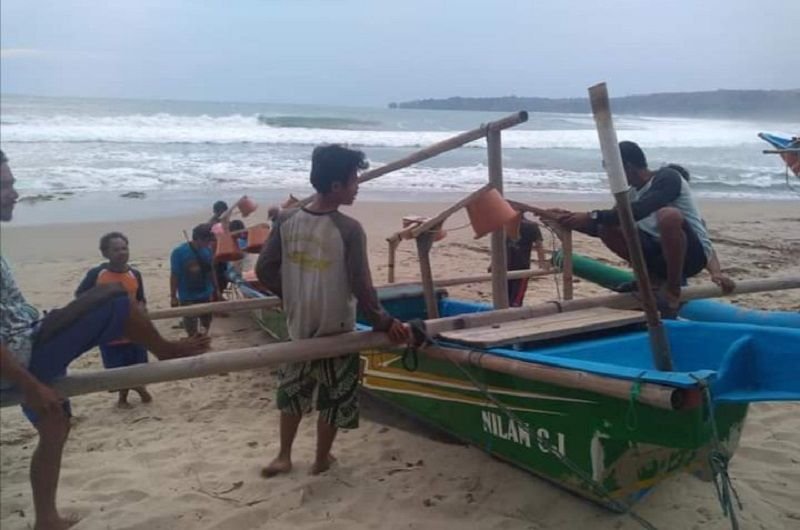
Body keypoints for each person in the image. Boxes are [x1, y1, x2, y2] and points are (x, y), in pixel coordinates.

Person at [0, 149, 210, 530]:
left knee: (55, 426)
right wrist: (29, 385)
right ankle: (165, 350)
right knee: (113, 297)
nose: (14, 193)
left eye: (11, 184)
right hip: (23, 359)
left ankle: (46, 518)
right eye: (5, 186)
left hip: (29, 342)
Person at [256, 144, 409, 477]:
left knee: (293, 390)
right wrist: (385, 322)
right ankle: (321, 458)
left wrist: (292, 293)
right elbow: (362, 287)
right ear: (337, 186)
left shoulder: (286, 219)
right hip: (337, 327)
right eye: (354, 181)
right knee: (334, 395)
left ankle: (283, 455)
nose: (357, 187)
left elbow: (265, 269)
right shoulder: (349, 229)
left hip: (298, 326)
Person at [547, 141, 734, 316]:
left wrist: (716, 273)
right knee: (608, 225)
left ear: (627, 167)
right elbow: (606, 224)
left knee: (668, 215)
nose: (611, 178)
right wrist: (568, 219)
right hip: (657, 257)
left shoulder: (668, 178)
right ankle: (648, 278)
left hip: (689, 258)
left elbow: (641, 210)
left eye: (612, 172)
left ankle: (673, 287)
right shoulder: (629, 195)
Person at [75, 232, 152, 407]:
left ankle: (138, 389)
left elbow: (141, 298)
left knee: (139, 364)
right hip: (109, 331)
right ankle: (125, 397)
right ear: (105, 253)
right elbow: (80, 295)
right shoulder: (97, 273)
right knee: (118, 367)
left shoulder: (135, 273)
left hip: (135, 329)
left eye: (124, 248)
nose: (122, 252)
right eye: (116, 249)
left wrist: (142, 310)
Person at [170, 224, 218, 336]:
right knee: (191, 328)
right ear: (198, 239)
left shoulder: (208, 251)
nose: (209, 244)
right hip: (187, 297)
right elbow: (174, 275)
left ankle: (203, 341)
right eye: (207, 241)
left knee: (206, 325)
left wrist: (216, 290)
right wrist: (173, 296)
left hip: (206, 294)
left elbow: (211, 272)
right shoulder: (179, 253)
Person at [506, 214, 548, 307]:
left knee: (515, 300)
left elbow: (539, 245)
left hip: (521, 268)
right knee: (507, 298)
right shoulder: (505, 224)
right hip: (506, 267)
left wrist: (542, 263)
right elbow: (499, 246)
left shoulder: (530, 226)